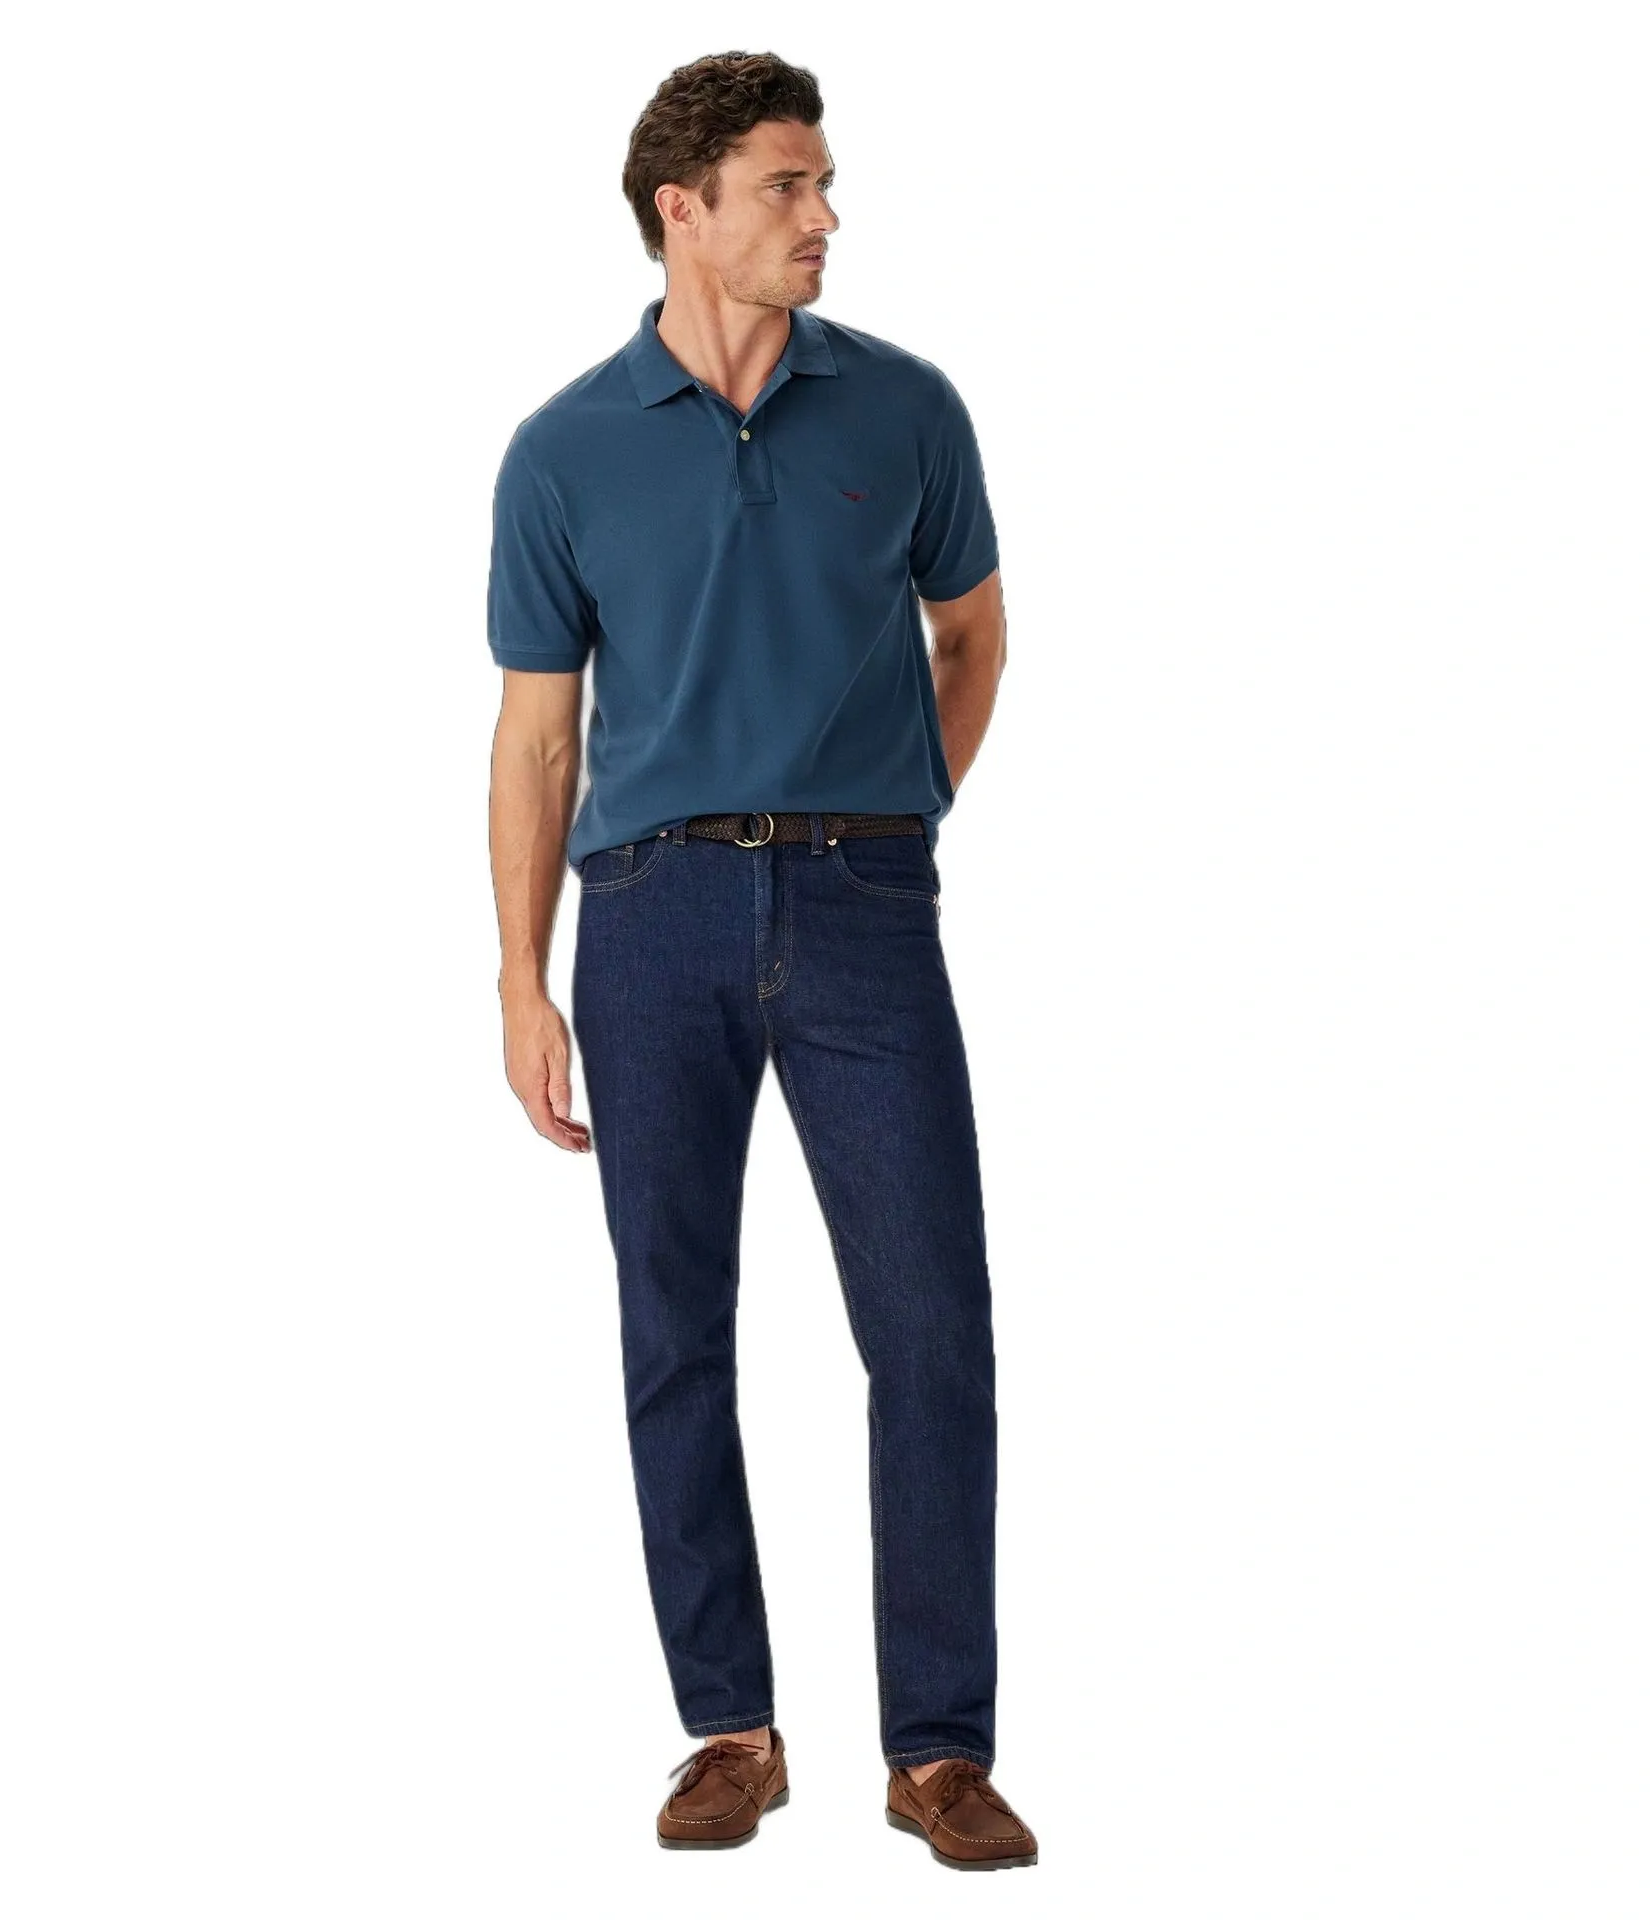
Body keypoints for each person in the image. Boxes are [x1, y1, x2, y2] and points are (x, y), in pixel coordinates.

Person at [486, 51, 1035, 1871]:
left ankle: (938, 1750)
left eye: (823, 182)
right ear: (684, 209)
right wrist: (521, 976)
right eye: (789, 185)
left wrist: (898, 815)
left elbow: (975, 639)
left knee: (932, 1325)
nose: (825, 216)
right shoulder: (563, 450)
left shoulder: (909, 410)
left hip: (866, 905)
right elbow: (538, 739)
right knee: (674, 1331)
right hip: (648, 916)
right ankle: (729, 1727)